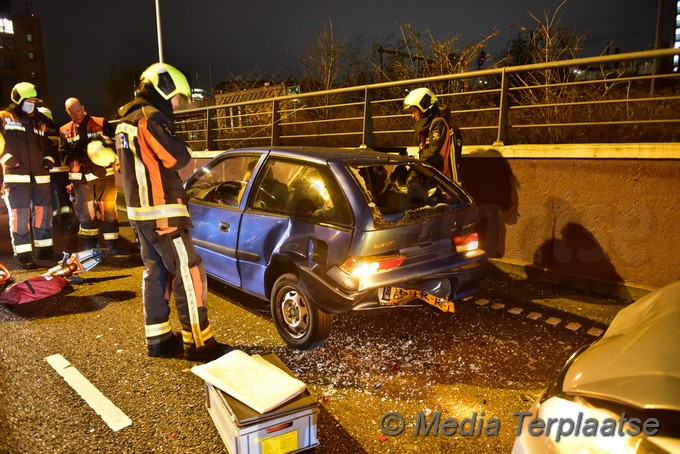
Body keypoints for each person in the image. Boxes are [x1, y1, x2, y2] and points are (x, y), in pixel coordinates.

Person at [115, 62, 231, 362]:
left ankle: (159, 338)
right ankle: (199, 342)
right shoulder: (149, 118)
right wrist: (182, 145)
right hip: (163, 212)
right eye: (176, 96)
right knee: (188, 271)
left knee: (156, 273)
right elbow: (175, 158)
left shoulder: (125, 120)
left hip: (141, 214)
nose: (177, 104)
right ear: (163, 87)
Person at [0, 82, 58, 269]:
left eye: (34, 102)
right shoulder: (4, 117)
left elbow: (48, 144)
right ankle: (24, 254)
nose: (33, 104)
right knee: (20, 216)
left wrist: (48, 160)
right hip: (17, 177)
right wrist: (8, 160)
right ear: (18, 99)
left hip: (40, 176)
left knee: (44, 214)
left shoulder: (38, 121)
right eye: (30, 101)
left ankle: (45, 249)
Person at [58, 98, 121, 254]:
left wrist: (109, 149)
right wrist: (71, 162)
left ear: (83, 108)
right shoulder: (65, 130)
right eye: (71, 113)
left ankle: (112, 244)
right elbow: (62, 151)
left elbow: (116, 142)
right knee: (86, 214)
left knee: (109, 211)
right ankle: (90, 245)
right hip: (81, 179)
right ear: (67, 113)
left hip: (104, 176)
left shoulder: (100, 122)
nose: (76, 115)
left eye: (78, 111)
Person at [403, 87, 460, 182]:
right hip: (432, 174)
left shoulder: (438, 123)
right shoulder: (428, 125)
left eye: (414, 111)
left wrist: (415, 166)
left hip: (442, 179)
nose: (412, 115)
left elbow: (433, 151)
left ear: (424, 107)